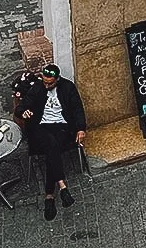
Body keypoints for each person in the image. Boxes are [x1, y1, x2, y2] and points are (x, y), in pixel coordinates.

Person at [15, 63, 86, 221]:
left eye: (50, 83)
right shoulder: (38, 88)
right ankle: (62, 186)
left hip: (62, 127)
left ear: (57, 80)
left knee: (51, 149)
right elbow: (21, 107)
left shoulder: (68, 87)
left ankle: (49, 196)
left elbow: (77, 109)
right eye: (45, 81)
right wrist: (24, 112)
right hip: (41, 127)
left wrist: (81, 128)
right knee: (51, 144)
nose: (46, 85)